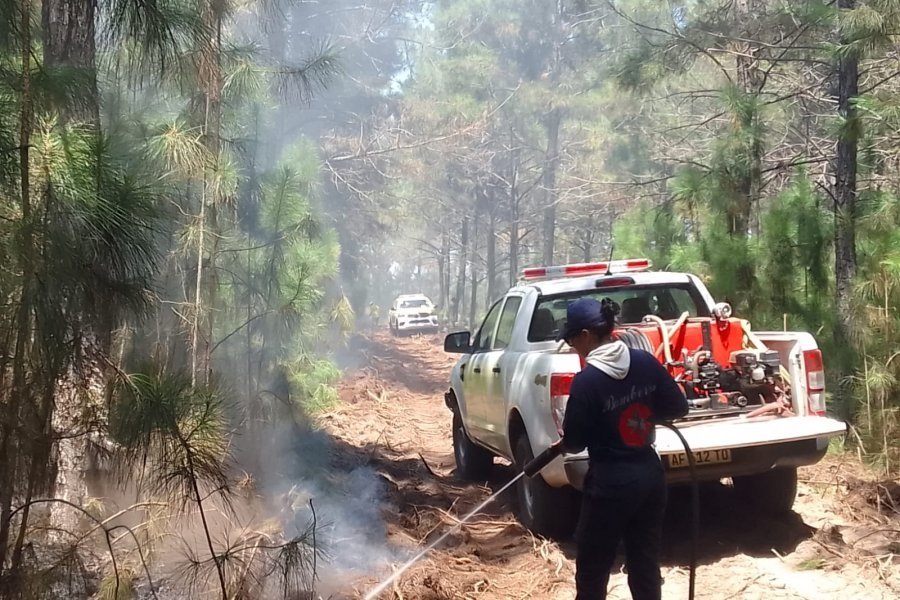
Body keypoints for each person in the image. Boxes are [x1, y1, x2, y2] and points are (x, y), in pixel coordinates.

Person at [555, 297, 688, 600]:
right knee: (645, 564)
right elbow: (677, 406)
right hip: (650, 478)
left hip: (609, 485)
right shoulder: (644, 362)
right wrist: (639, 409)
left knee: (592, 569)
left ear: (586, 335)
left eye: (572, 339)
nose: (573, 347)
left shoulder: (586, 382)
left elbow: (574, 442)